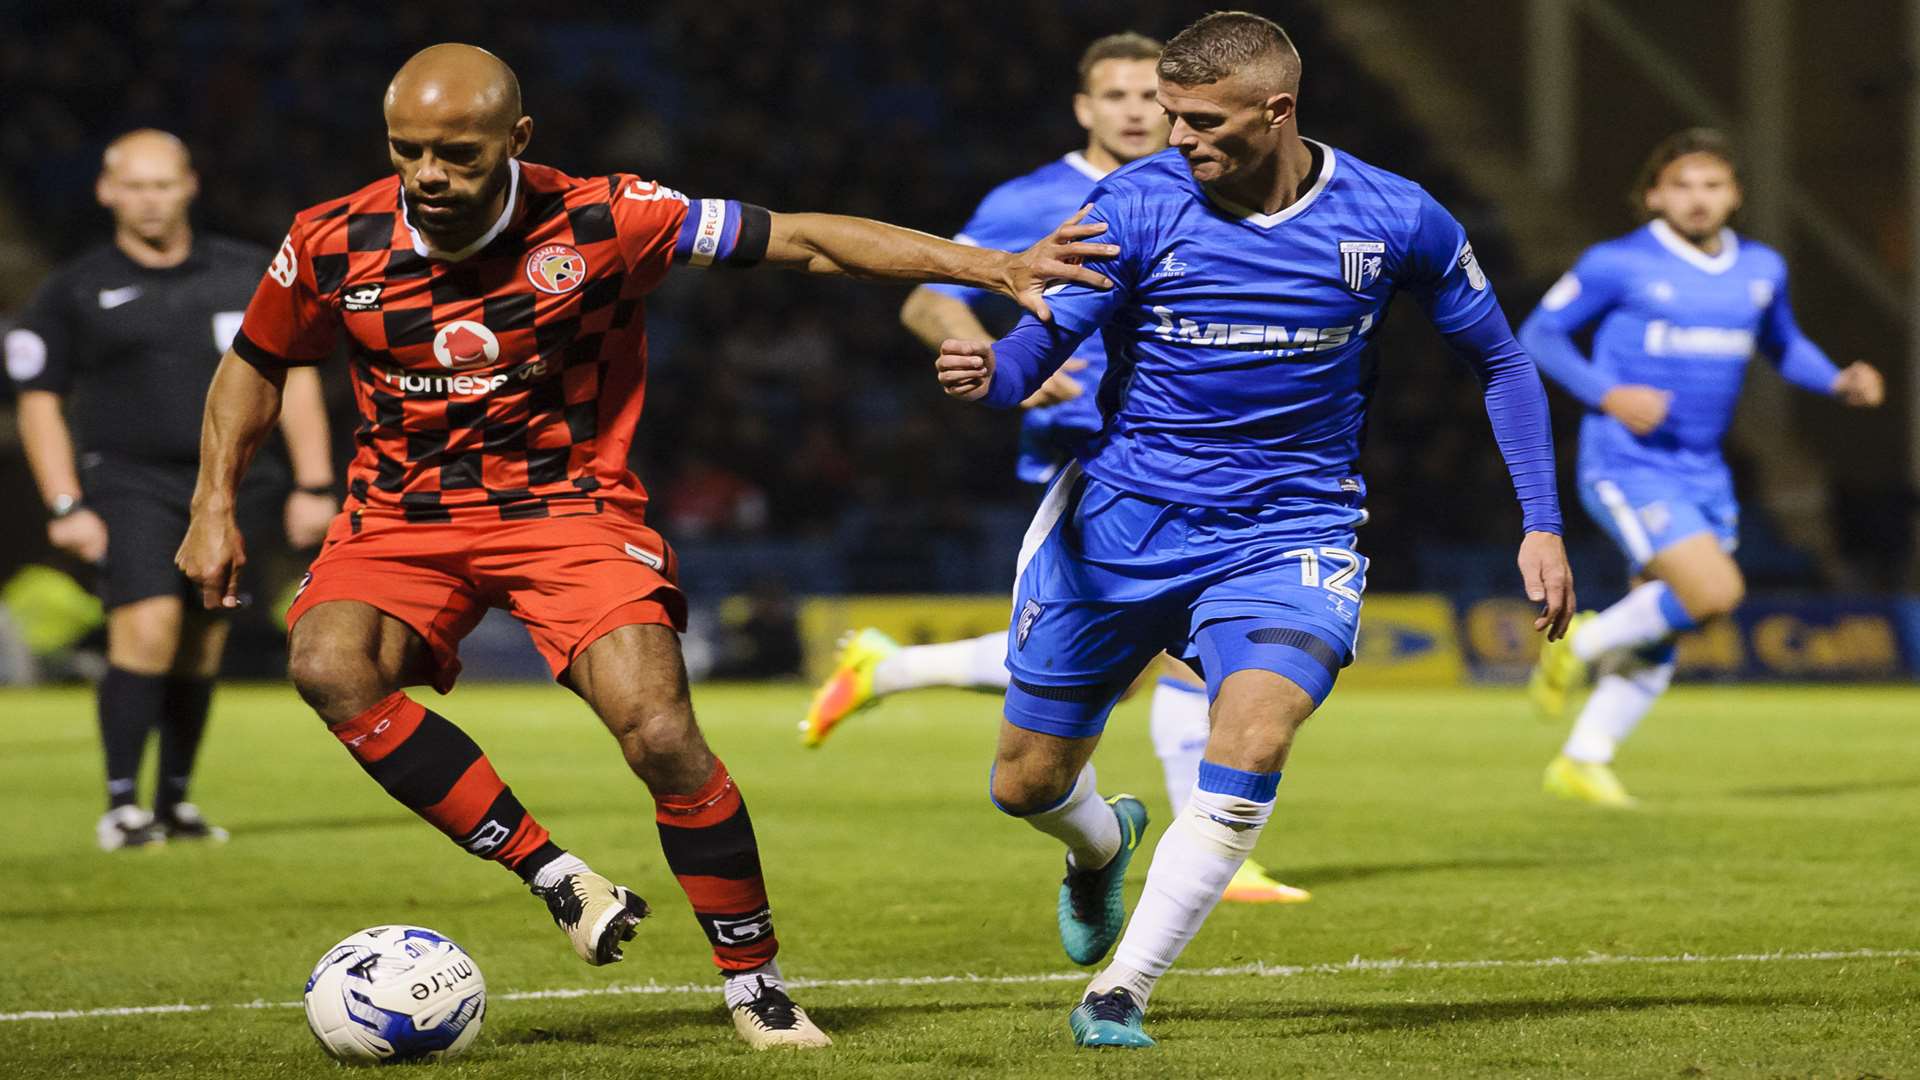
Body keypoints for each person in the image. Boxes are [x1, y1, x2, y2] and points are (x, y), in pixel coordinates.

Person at [173, 44, 1114, 1051]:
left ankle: (754, 980)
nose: (431, 176)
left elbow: (804, 241)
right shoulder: (331, 239)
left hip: (568, 510)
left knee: (662, 735)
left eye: (457, 153)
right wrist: (212, 503)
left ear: (516, 140)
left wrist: (990, 265)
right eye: (410, 152)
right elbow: (254, 365)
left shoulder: (607, 218)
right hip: (401, 517)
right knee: (328, 667)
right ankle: (553, 872)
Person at [933, 12, 1573, 1048]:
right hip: (1123, 523)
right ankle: (1101, 846)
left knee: (1257, 729)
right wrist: (992, 376)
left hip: (1291, 529)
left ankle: (1119, 992)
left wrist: (1540, 522)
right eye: (1169, 116)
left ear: (1275, 111)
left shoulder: (1396, 217)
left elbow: (1501, 362)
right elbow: (1039, 340)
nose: (1174, 136)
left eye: (1198, 119)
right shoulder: (1137, 202)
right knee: (1026, 784)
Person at [805, 31, 1308, 906]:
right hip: (1091, 456)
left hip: (1192, 461)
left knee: (1171, 652)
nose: (1135, 112)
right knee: (1155, 651)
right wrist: (1001, 363)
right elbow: (931, 297)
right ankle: (1213, 847)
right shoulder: (1034, 198)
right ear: (1085, 108)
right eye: (1113, 96)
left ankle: (893, 671)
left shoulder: (1209, 187)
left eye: (1148, 96)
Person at [1524, 129, 1884, 806]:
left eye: (1713, 185)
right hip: (1628, 463)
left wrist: (1838, 381)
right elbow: (1539, 333)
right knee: (1714, 592)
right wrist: (1610, 394)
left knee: (1671, 620)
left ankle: (1582, 760)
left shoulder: (1760, 270)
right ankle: (1583, 643)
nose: (1698, 199)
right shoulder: (1616, 263)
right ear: (1654, 195)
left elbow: (1783, 344)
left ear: (1735, 196)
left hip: (1703, 469)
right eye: (1683, 185)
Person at [4, 129, 336, 851]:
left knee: (200, 642)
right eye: (134, 185)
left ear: (189, 185)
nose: (149, 201)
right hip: (129, 480)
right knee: (147, 624)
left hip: (237, 481)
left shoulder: (249, 273)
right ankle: (122, 804)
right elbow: (38, 400)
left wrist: (314, 482)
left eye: (162, 185)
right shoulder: (75, 289)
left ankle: (175, 804)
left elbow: (296, 376)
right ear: (106, 190)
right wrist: (65, 503)